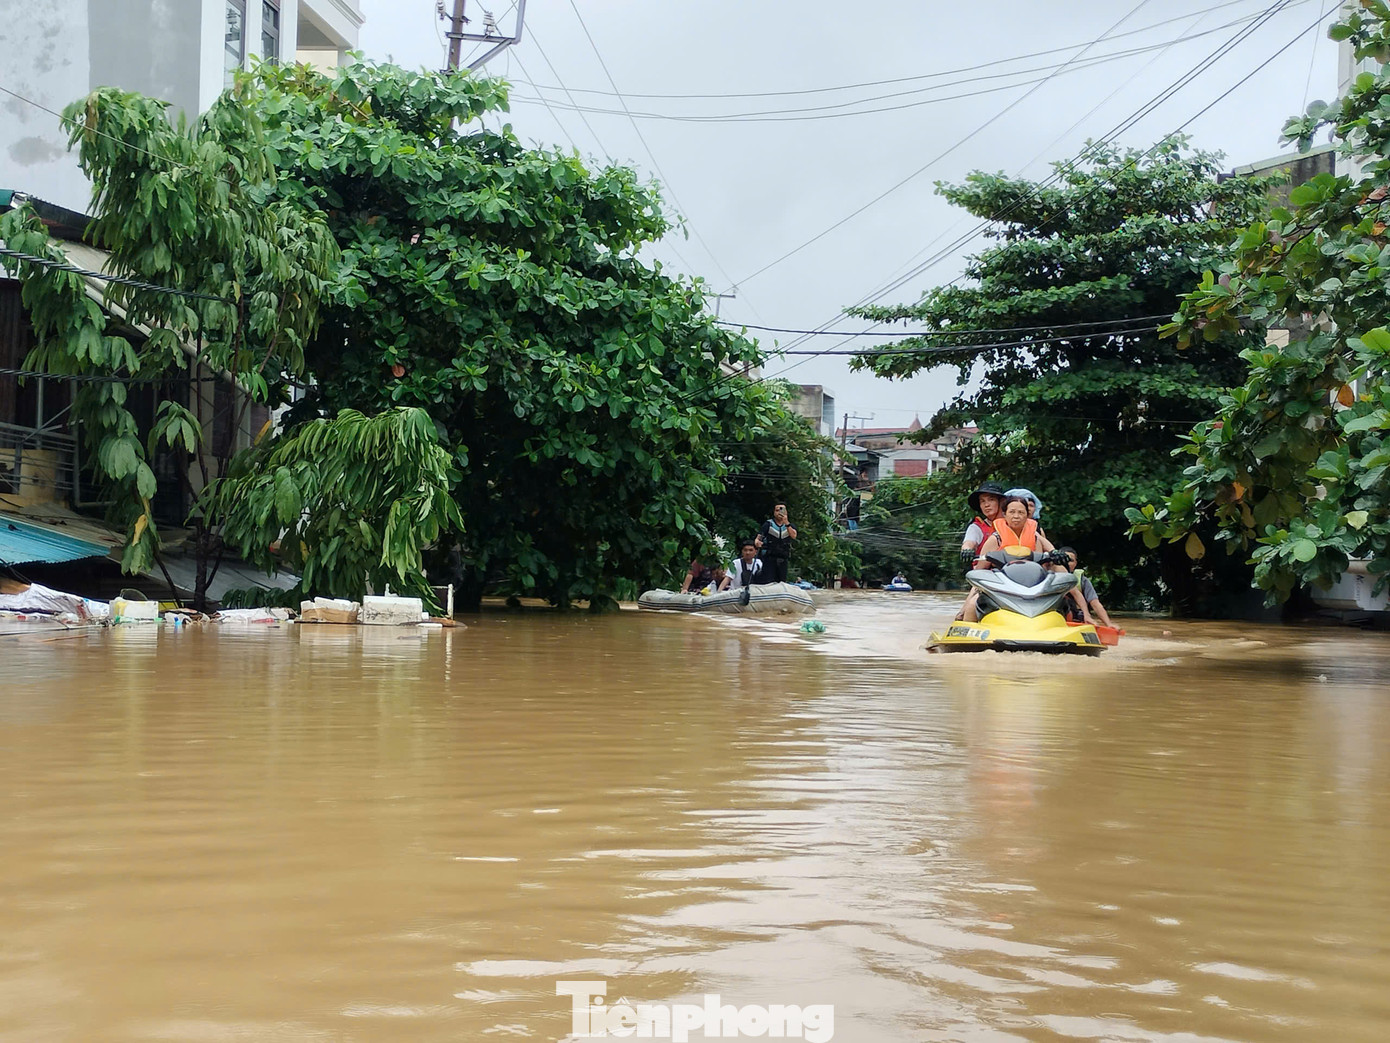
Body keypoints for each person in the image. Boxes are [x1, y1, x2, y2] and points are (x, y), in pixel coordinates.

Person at [961, 496, 1061, 622]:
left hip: (1033, 584)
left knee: (1063, 599)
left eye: (1021, 512)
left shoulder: (1035, 535)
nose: (1016, 516)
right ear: (1005, 514)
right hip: (1001, 586)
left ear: (1027, 515)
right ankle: (965, 627)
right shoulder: (995, 539)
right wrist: (967, 551)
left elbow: (1051, 549)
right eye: (1012, 512)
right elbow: (979, 571)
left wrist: (1057, 554)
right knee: (972, 605)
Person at [1056, 546, 1114, 627]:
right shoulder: (1048, 574)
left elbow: (1095, 604)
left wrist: (1108, 623)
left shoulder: (1083, 581)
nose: (1067, 563)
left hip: (1073, 615)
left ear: (1075, 563)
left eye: (1071, 560)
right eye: (1065, 560)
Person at [960, 481, 1007, 570]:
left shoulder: (1012, 524)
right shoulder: (977, 527)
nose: (986, 505)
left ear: (1001, 502)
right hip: (984, 574)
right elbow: (969, 542)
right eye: (982, 501)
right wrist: (966, 549)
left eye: (991, 499)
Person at [755, 504, 798, 583]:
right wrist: (758, 542)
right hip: (770, 557)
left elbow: (793, 536)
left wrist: (786, 523)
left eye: (781, 510)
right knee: (768, 580)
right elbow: (758, 538)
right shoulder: (768, 524)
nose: (779, 513)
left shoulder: (790, 526)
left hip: (783, 558)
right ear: (774, 512)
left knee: (781, 581)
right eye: (777, 510)